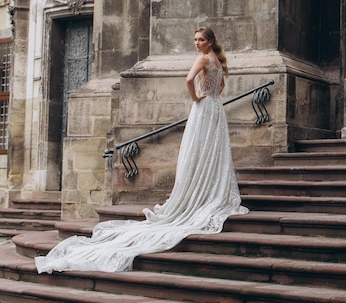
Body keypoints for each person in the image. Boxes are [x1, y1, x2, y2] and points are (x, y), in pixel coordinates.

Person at [35, 27, 249, 273]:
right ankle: (207, 191)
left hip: (203, 110)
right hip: (216, 109)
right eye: (195, 40)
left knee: (197, 151)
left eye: (200, 40)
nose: (196, 43)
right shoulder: (218, 60)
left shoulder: (202, 59)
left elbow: (189, 80)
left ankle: (195, 193)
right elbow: (220, 86)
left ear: (210, 41)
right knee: (211, 153)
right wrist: (209, 96)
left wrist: (196, 98)